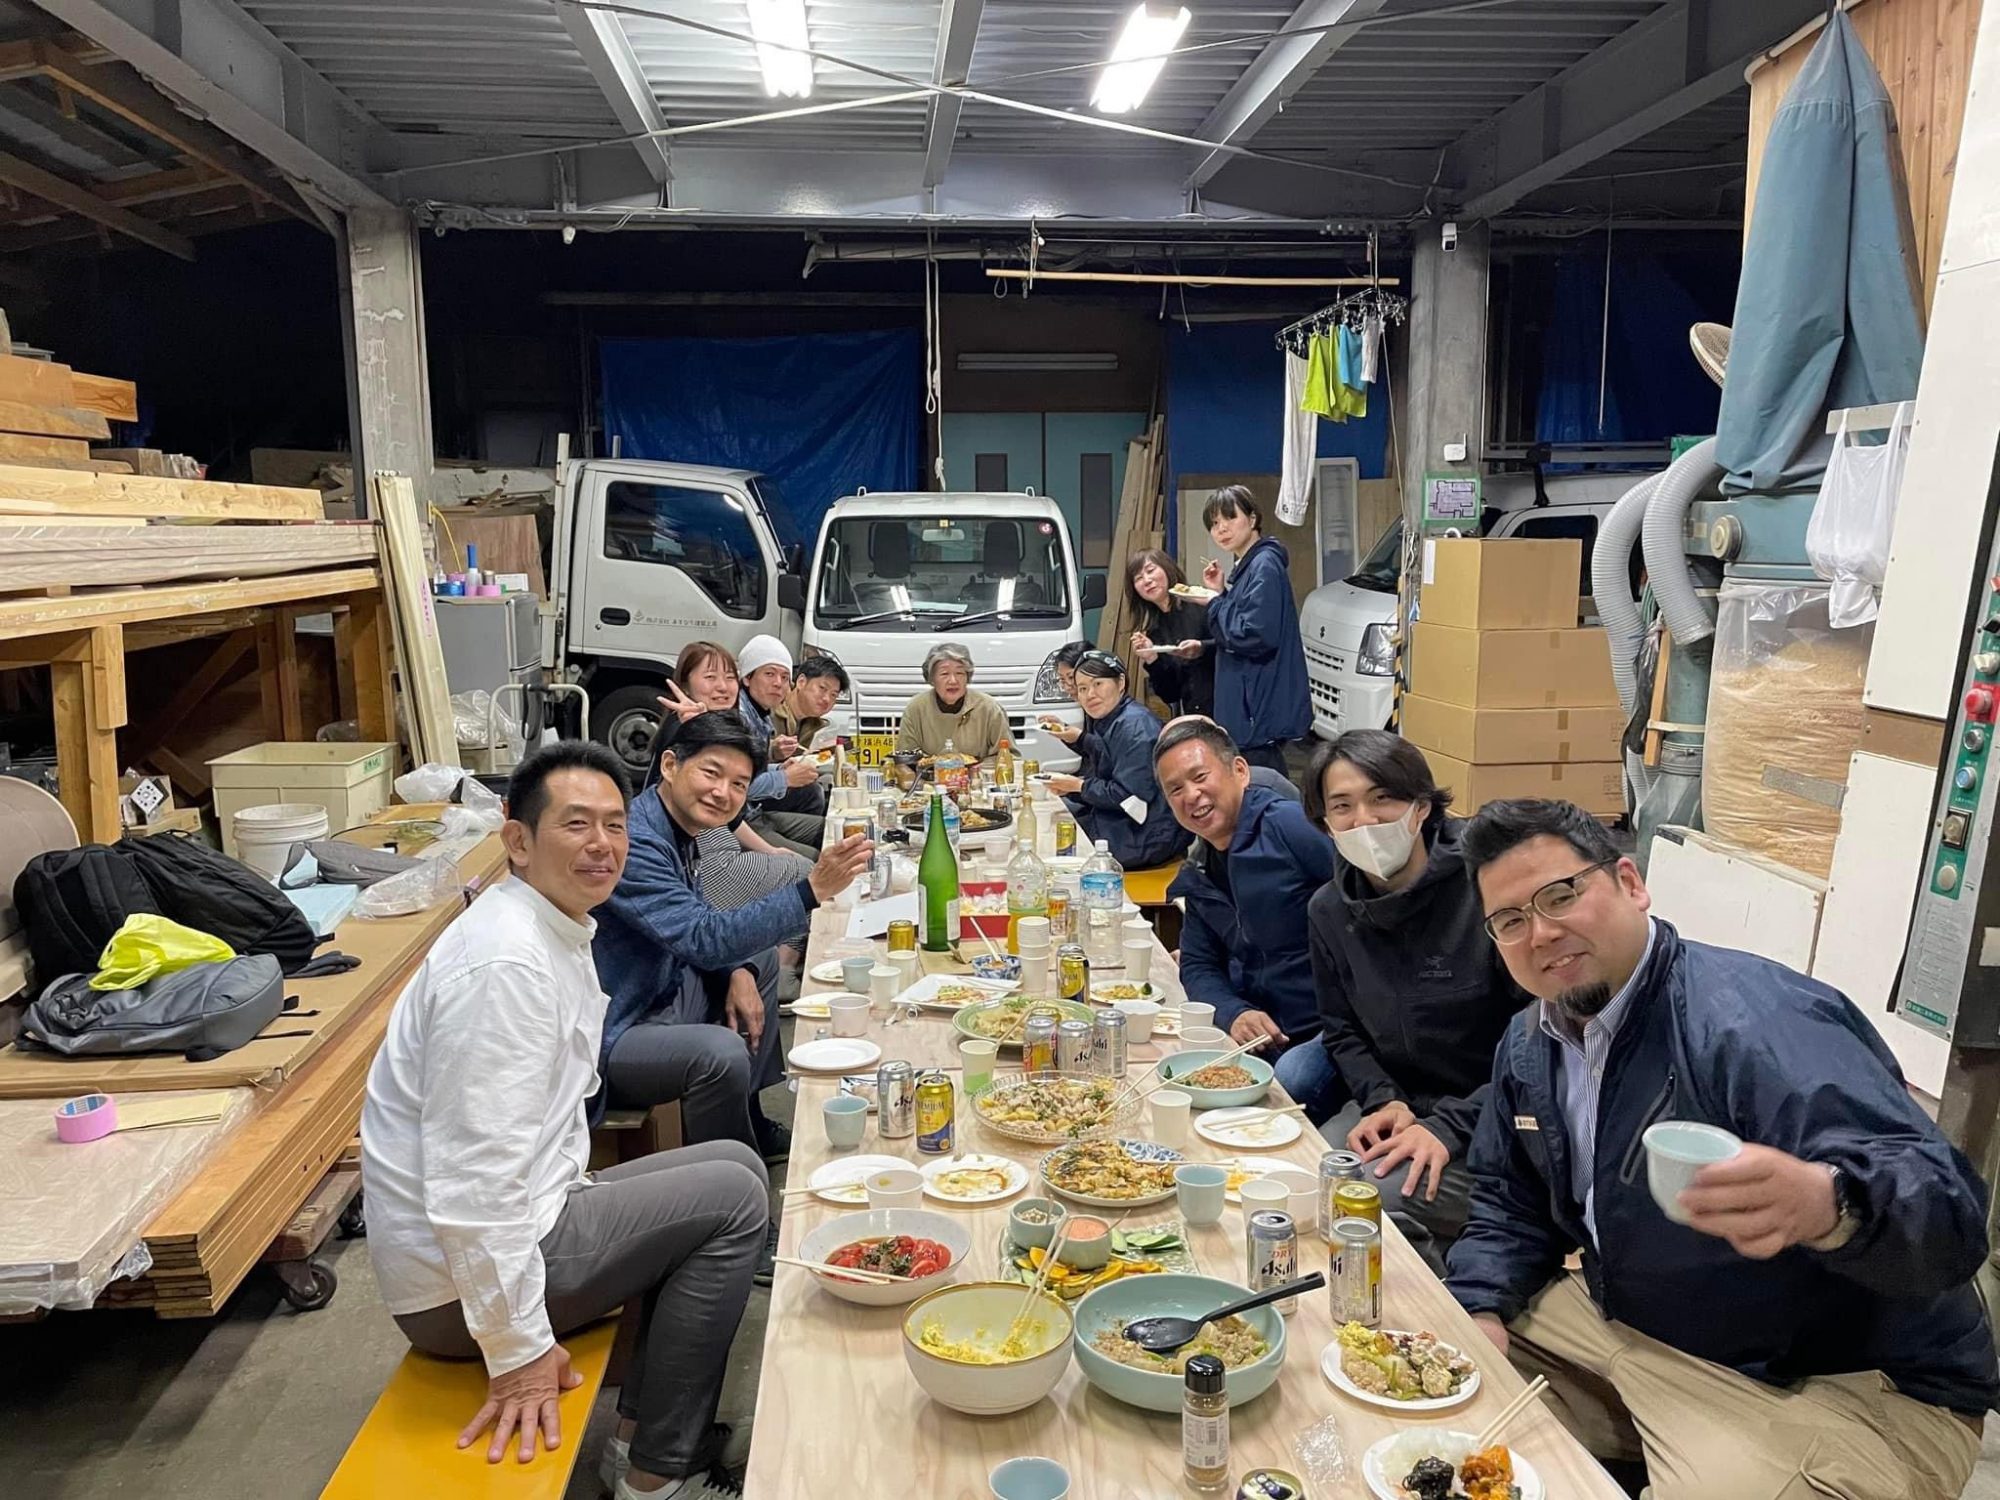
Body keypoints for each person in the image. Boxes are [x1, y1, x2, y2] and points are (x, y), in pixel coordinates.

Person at [1446, 798, 1997, 1500]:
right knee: (1439, 1363)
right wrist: (1481, 1306)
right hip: (1642, 1324)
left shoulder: (1751, 1024)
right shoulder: (1532, 1045)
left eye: (1561, 895)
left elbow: (1949, 1218)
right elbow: (1508, 1202)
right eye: (1511, 921)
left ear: (1630, 883)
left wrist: (1832, 1206)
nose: (1541, 933)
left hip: (1838, 1381)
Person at [360, 741, 765, 1499]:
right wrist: (516, 1351)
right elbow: (473, 1187)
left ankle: (639, 1437)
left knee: (735, 1167)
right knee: (735, 1201)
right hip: (457, 1290)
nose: (602, 844)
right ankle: (658, 1479)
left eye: (615, 825)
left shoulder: (552, 923)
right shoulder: (505, 967)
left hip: (524, 1221)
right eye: (576, 824)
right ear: (517, 840)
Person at [593, 713, 875, 1167]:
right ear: (670, 765)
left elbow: (696, 917)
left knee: (756, 959)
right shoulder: (637, 841)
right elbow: (702, 937)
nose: (722, 792)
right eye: (711, 773)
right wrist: (811, 890)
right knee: (720, 1053)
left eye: (739, 784)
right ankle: (731, 1176)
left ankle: (750, 1115)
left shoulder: (677, 825)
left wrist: (736, 970)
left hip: (661, 988)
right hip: (620, 1026)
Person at [1304, 731, 1526, 1272]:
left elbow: (1541, 1045)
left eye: (1382, 798)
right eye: (1342, 807)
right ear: (1325, 824)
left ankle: (1452, 1290)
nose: (1364, 821)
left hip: (1494, 1119)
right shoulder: (1329, 911)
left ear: (1421, 806)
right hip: (1401, 1108)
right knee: (1313, 1171)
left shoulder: (1486, 889)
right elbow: (1341, 1029)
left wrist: (1450, 1126)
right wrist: (1381, 1100)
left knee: (1362, 1198)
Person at [1155, 718, 1345, 1122]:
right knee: (1172, 1072)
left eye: (1200, 777)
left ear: (1239, 771)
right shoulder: (1200, 867)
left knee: (1287, 1082)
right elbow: (1198, 963)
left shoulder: (1288, 826)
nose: (1192, 795)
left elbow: (1362, 900)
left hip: (1329, 1027)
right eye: (1175, 789)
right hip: (1260, 1030)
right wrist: (1234, 1012)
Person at [641, 641, 815, 914]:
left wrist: (769, 851)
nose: (722, 687)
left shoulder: (719, 725)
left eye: (729, 677)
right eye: (710, 677)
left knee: (806, 863)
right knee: (808, 873)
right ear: (685, 685)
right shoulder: (684, 728)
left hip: (724, 841)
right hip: (704, 861)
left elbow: (729, 811)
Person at [1199, 486, 1310, 775]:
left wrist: (1214, 602)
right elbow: (1245, 619)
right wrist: (1221, 592)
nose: (1222, 528)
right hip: (1250, 707)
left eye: (1230, 517)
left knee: (1261, 784)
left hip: (1256, 710)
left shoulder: (1264, 565)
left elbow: (1253, 634)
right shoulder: (1250, 566)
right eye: (1214, 523)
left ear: (1252, 518)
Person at [1044, 650, 1185, 869]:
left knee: (1049, 839)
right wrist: (1072, 786)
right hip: (1124, 820)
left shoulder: (1136, 728)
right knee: (1049, 817)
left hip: (1145, 834)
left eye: (1098, 684)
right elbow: (1106, 761)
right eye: (1082, 688)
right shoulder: (1111, 717)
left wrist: (1078, 786)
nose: (1090, 694)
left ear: (1121, 682)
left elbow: (1130, 797)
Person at [731, 634, 823, 857]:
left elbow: (752, 770)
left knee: (830, 830)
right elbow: (735, 785)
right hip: (739, 822)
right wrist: (785, 778)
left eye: (784, 677)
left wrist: (779, 767)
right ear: (747, 678)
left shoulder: (760, 714)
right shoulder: (737, 717)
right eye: (769, 674)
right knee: (815, 859)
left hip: (754, 812)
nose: (778, 683)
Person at [1126, 548, 1213, 717]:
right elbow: (1171, 694)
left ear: (1167, 568)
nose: (1147, 580)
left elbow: (1231, 644)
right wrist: (1152, 658)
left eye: (1150, 570)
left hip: (1230, 705)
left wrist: (1202, 648)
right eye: (1138, 578)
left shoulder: (1200, 601)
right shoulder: (1155, 631)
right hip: (1196, 715)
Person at [896, 641, 1010, 762]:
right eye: (944, 674)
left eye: (959, 673)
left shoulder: (989, 708)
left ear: (967, 677)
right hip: (929, 773)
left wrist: (977, 768)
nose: (953, 680)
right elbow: (905, 759)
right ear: (932, 678)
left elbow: (1010, 756)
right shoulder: (916, 708)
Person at [774, 655, 849, 747]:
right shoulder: (768, 712)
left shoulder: (819, 728)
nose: (827, 699)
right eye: (822, 688)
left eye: (833, 695)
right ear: (801, 682)